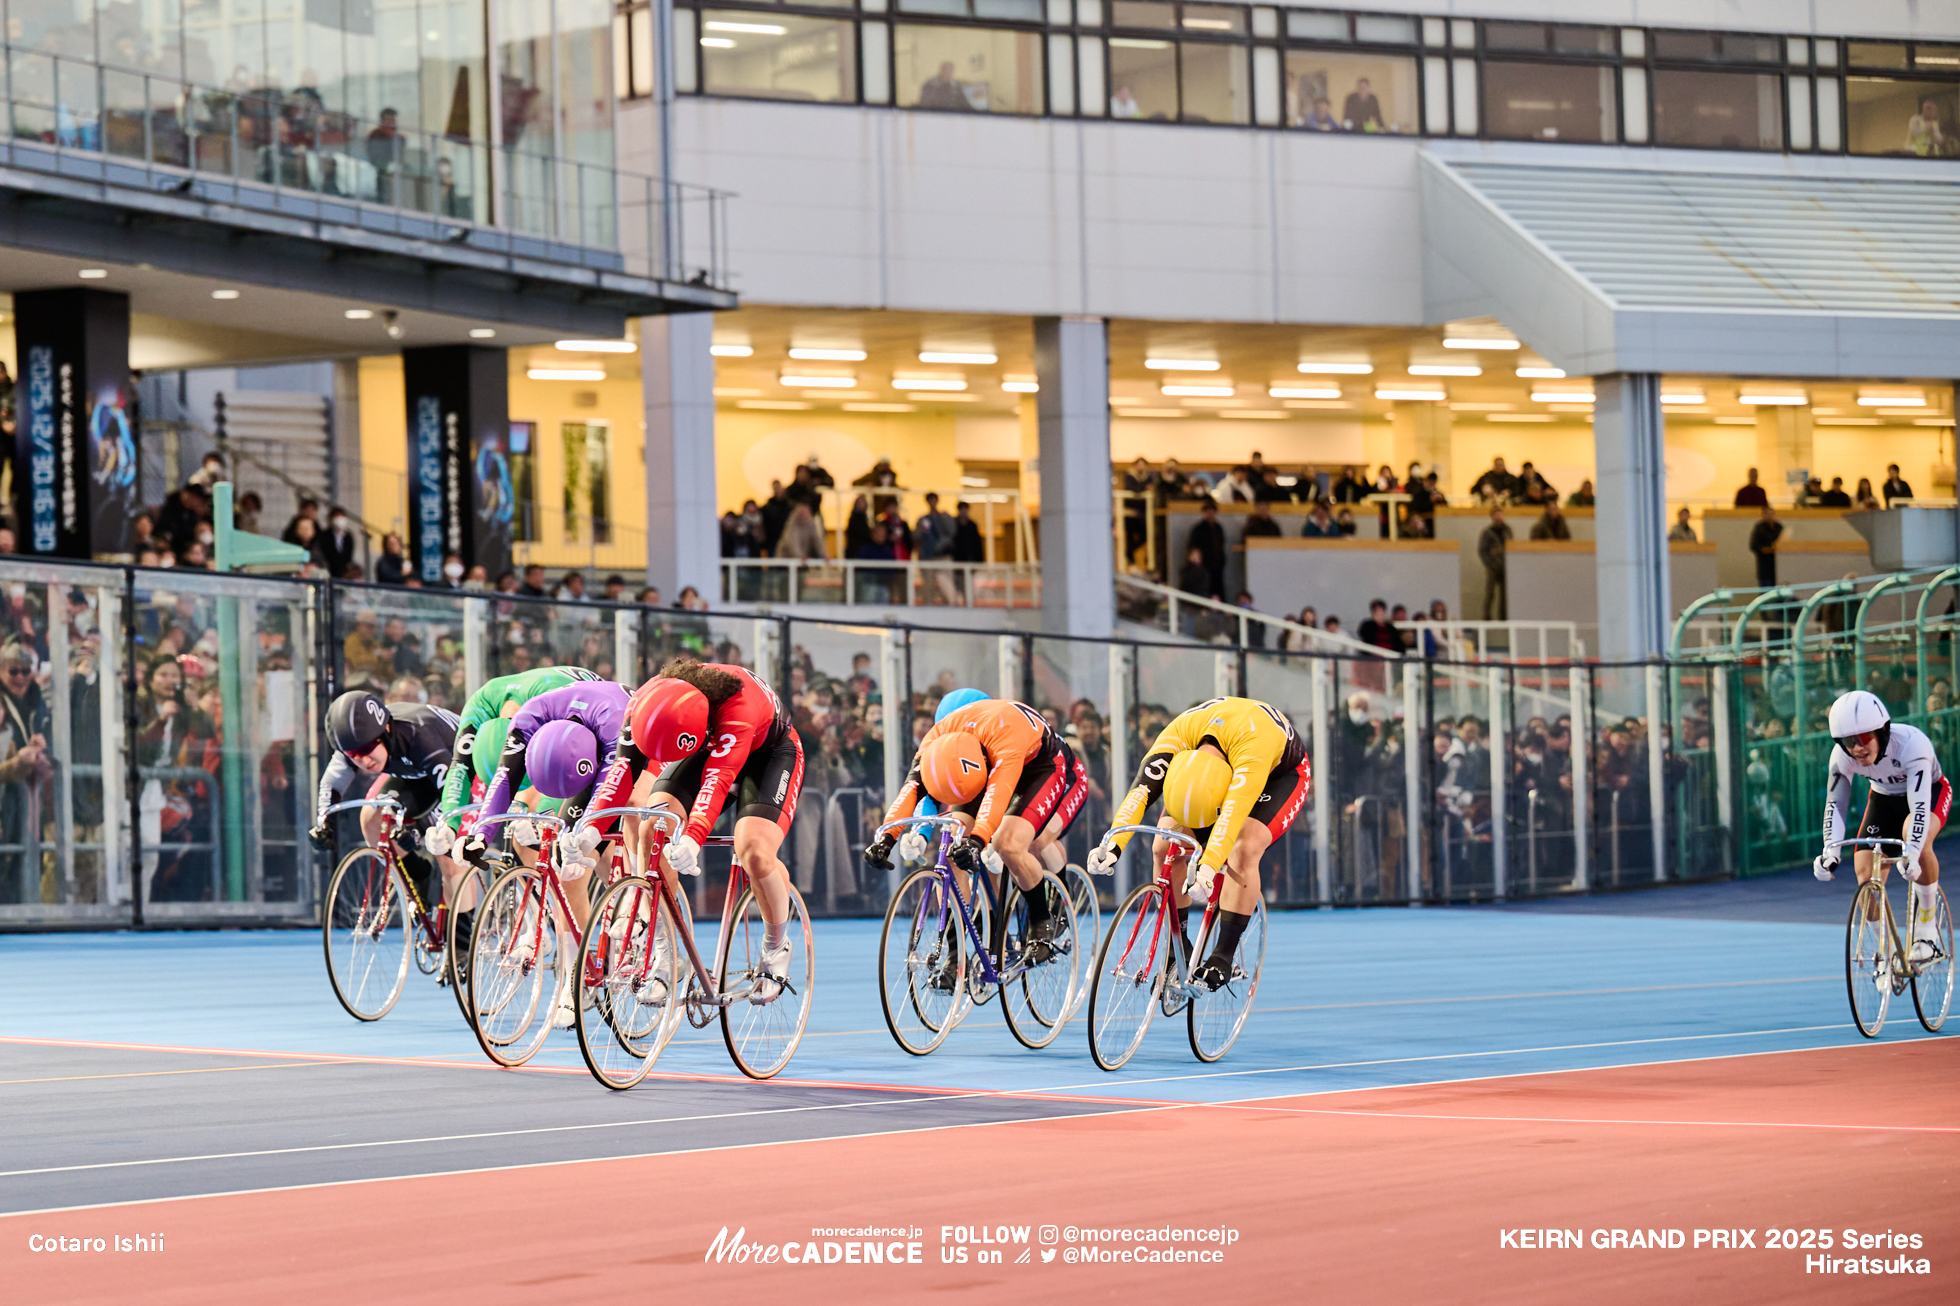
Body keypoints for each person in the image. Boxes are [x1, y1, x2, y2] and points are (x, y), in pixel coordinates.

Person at [579, 659, 804, 1003]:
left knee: (754, 851)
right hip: (702, 743)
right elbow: (622, 770)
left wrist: (692, 837)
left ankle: (776, 948)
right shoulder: (645, 702)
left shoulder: (738, 708)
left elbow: (718, 781)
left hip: (769, 754)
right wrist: (590, 828)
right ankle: (668, 956)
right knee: (652, 829)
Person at [1091, 695, 1312, 989]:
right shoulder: (1176, 735)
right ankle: (1178, 942)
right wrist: (1113, 844)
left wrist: (1207, 869)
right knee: (1165, 845)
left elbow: (1231, 819)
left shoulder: (1253, 753)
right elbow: (1140, 792)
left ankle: (1223, 955)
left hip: (1279, 773)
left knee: (1243, 848)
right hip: (1204, 770)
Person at [459, 679, 632, 1025]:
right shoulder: (526, 721)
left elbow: (609, 793)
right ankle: (577, 970)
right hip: (564, 753)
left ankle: (639, 909)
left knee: (625, 818)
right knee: (556, 851)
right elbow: (504, 782)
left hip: (627, 742)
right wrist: (480, 834)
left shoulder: (614, 724)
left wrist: (588, 835)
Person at [865, 698, 1090, 963]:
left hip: (1039, 765)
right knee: (950, 849)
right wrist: (885, 838)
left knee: (1009, 845)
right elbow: (911, 791)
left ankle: (1042, 924)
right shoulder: (932, 742)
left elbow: (997, 794)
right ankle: (953, 955)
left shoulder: (1005, 740)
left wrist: (978, 840)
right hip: (977, 758)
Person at [1816, 690, 1947, 963]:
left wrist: (1911, 852)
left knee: (1916, 837)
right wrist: (1830, 852)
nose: (1857, 748)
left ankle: (1927, 930)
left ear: (1882, 731)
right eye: (1847, 741)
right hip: (1884, 799)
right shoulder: (1842, 757)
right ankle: (1885, 953)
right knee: (1864, 870)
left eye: (1864, 738)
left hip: (1928, 794)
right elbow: (1835, 805)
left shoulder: (1912, 745)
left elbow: (1920, 807)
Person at [310, 690, 466, 915]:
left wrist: (422, 833)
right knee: (371, 817)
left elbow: (454, 793)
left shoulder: (419, 735)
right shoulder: (357, 741)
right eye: (353, 754)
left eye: (366, 749)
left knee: (448, 854)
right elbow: (332, 784)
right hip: (417, 774)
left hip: (461, 769)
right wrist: (325, 822)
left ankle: (462, 944)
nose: (363, 760)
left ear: (387, 731)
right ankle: (418, 873)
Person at [1477, 507, 1511, 620]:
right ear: (1492, 517)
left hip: (1505, 566)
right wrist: (1490, 563)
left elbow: (1512, 546)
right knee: (1490, 593)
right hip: (1492, 566)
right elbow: (1482, 550)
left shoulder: (1508, 530)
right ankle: (1486, 616)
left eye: (1500, 515)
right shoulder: (1487, 532)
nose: (1499, 517)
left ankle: (1503, 617)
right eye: (1496, 515)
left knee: (1505, 594)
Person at [1188, 501, 1227, 599]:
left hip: (1217, 566)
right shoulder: (1198, 529)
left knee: (1217, 590)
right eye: (1208, 512)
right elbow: (1193, 548)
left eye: (1212, 512)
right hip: (1204, 566)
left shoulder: (1218, 528)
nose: (1210, 515)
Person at [1749, 504, 1782, 588]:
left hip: (1777, 564)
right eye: (1767, 514)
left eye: (1772, 514)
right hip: (1764, 564)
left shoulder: (1778, 527)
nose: (1770, 516)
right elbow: (1754, 545)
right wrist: (1768, 548)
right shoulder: (1760, 528)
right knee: (1765, 589)